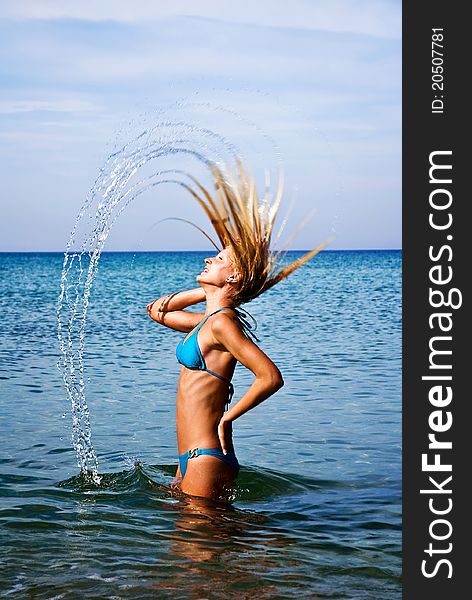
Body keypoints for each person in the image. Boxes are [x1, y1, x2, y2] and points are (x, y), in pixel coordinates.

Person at [147, 162, 324, 499]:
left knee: (202, 546)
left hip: (205, 455)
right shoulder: (209, 321)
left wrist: (229, 418)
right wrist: (210, 291)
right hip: (188, 459)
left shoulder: (221, 324)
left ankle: (275, 550)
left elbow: (270, 377)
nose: (210, 260)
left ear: (233, 277)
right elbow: (158, 310)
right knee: (198, 544)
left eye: (220, 260)